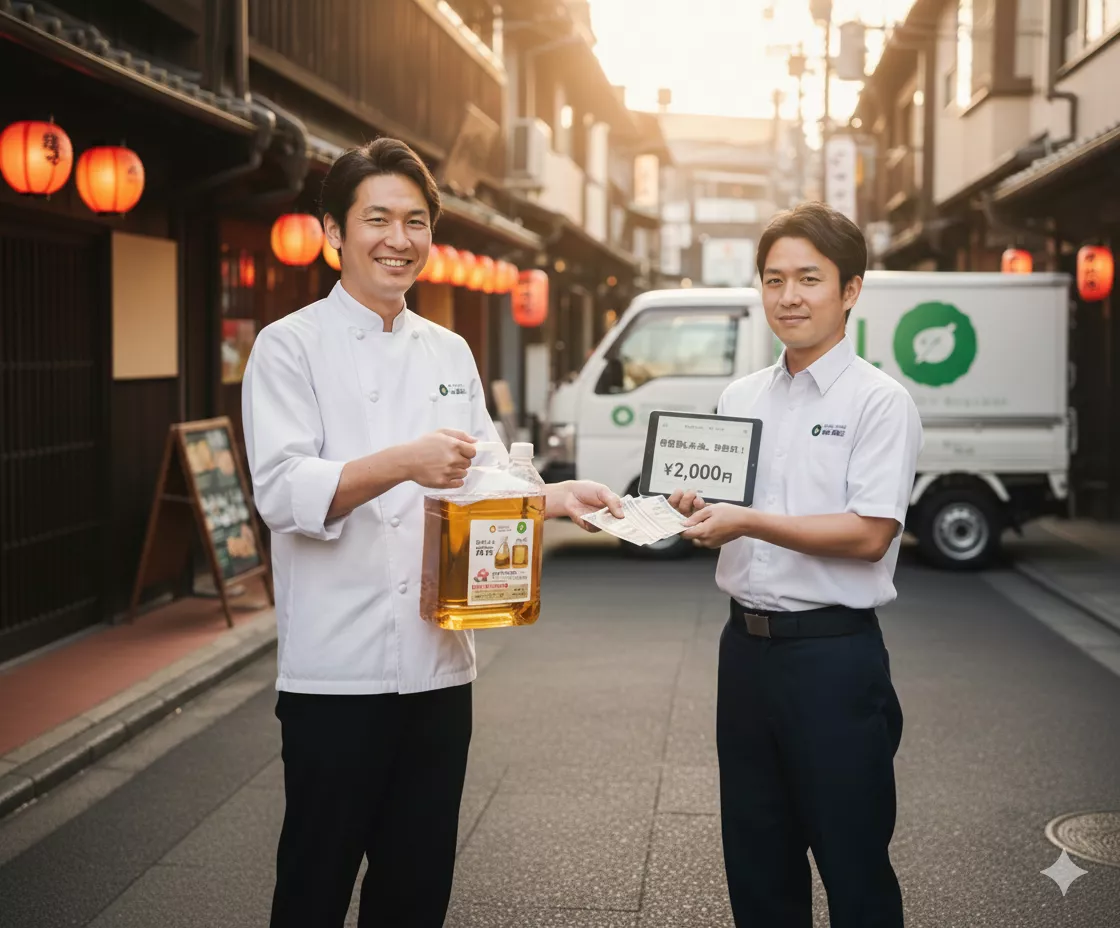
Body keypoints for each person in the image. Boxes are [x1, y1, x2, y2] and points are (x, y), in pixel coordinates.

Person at [242, 137, 623, 928]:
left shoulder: (449, 350)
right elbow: (281, 491)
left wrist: (555, 498)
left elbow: (483, 478)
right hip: (335, 671)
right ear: (333, 231)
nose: (399, 239)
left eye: (415, 221)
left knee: (416, 891)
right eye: (377, 218)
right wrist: (402, 462)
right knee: (313, 887)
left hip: (440, 669)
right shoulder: (289, 345)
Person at [669, 201, 922, 928]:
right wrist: (692, 503)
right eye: (774, 279)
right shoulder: (739, 395)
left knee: (854, 868)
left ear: (850, 289)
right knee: (757, 865)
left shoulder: (880, 402)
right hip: (744, 654)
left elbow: (870, 533)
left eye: (810, 278)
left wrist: (747, 520)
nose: (789, 296)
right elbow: (720, 499)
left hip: (833, 659)